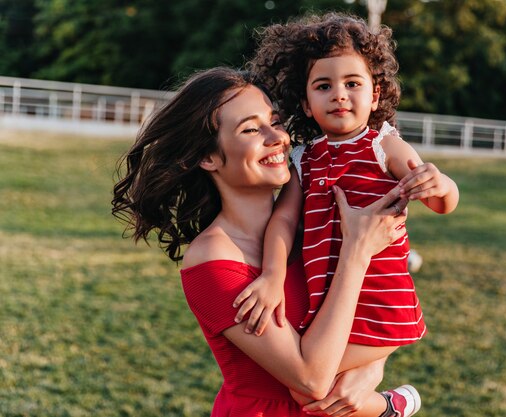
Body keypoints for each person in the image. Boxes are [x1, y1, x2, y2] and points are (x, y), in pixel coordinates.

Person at [112, 67, 430, 417]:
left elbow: (376, 306)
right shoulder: (213, 259)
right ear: (208, 157)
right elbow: (310, 380)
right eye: (250, 128)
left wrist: (373, 365)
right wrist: (357, 253)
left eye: (275, 121)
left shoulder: (314, 227)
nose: (277, 137)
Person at [233, 12, 460, 411]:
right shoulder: (303, 159)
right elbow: (283, 221)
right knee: (322, 391)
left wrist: (441, 184)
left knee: (308, 388)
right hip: (331, 298)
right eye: (324, 86)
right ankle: (389, 404)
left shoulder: (384, 146)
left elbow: (440, 200)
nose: (339, 94)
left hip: (378, 297)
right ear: (305, 103)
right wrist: (272, 274)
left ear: (374, 95)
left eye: (352, 84)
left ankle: (396, 404)